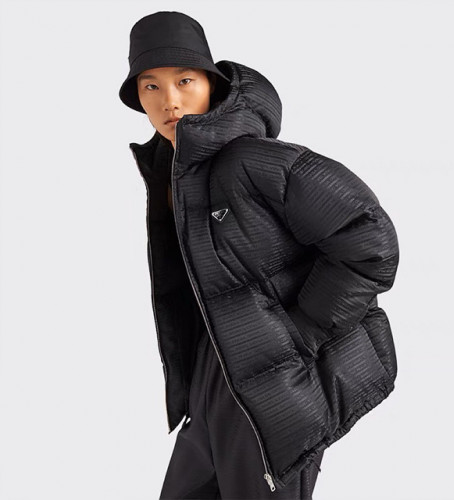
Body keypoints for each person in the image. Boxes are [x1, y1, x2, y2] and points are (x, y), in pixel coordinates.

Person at [119, 10, 400, 500]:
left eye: (184, 81)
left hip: (276, 388)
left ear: (211, 83)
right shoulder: (175, 172)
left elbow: (370, 240)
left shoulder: (251, 160)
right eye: (151, 86)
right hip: (214, 376)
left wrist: (302, 331)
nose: (169, 101)